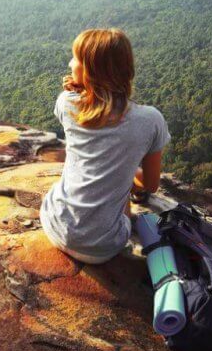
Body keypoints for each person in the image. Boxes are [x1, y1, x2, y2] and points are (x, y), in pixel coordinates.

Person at [39, 28, 172, 264]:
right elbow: (151, 185)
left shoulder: (66, 103)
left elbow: (93, 116)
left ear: (90, 71)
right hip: (102, 249)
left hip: (55, 226)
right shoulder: (151, 120)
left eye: (76, 59)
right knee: (121, 198)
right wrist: (123, 173)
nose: (70, 64)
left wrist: (81, 90)